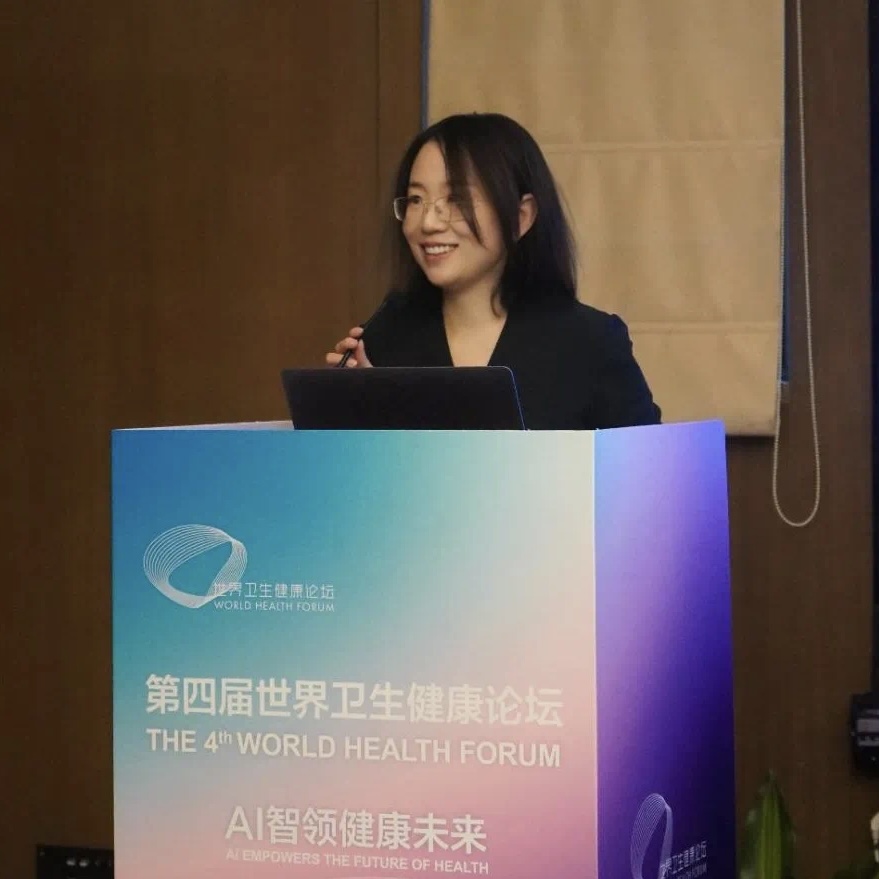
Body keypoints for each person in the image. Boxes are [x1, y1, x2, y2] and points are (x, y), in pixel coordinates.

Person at [326, 112, 661, 430]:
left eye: (455, 199)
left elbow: (652, 465)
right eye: (415, 199)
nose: (427, 222)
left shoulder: (591, 343)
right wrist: (357, 407)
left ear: (521, 217)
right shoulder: (384, 339)